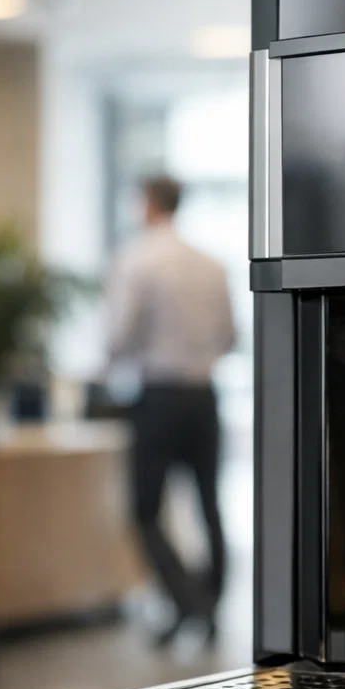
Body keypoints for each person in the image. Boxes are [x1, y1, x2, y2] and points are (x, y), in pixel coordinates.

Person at [107, 176, 236, 646]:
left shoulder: (137, 259)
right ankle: (208, 604)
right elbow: (230, 338)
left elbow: (120, 337)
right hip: (204, 396)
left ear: (147, 203)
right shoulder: (212, 264)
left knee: (143, 509)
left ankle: (187, 603)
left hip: (158, 397)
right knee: (209, 504)